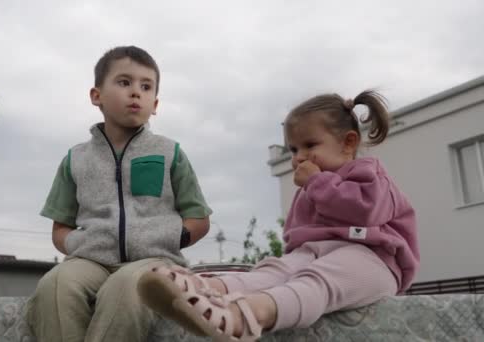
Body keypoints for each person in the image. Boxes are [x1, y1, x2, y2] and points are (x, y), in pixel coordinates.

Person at [137, 90, 419, 341]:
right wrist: (288, 263)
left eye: (310, 146)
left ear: (347, 143)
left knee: (318, 280)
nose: (298, 157)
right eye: (294, 149)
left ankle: (246, 316)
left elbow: (366, 212)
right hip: (317, 253)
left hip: (373, 259)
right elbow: (297, 239)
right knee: (273, 271)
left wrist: (317, 183)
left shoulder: (367, 174)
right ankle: (203, 289)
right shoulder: (313, 185)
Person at [25, 45, 212, 342]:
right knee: (56, 285)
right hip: (91, 262)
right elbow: (60, 226)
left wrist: (168, 238)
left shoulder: (170, 153)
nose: (136, 92)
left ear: (155, 103)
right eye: (124, 82)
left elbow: (199, 219)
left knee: (127, 287)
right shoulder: (76, 159)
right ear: (96, 95)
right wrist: (77, 243)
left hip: (153, 263)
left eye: (146, 86)